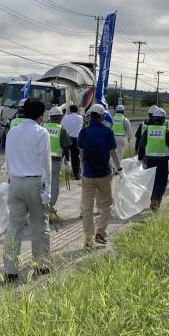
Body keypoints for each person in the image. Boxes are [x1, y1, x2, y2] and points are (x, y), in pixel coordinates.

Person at [3, 99, 52, 282]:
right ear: (41, 115)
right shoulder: (41, 133)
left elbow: (7, 159)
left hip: (15, 182)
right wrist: (46, 193)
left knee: (14, 226)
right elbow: (45, 165)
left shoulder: (12, 132)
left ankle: (10, 269)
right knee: (39, 225)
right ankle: (41, 264)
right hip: (34, 182)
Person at [76, 104, 122, 247]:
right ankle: (100, 232)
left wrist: (84, 168)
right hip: (104, 174)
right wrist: (119, 168)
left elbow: (81, 153)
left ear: (90, 116)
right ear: (102, 117)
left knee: (87, 208)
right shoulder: (108, 131)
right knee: (107, 204)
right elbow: (113, 152)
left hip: (88, 175)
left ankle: (88, 239)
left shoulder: (83, 132)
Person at [137, 107, 169, 212]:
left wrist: (139, 159)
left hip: (150, 160)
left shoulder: (148, 130)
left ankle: (154, 198)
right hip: (162, 160)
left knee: (152, 181)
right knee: (162, 181)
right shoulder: (167, 132)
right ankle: (156, 199)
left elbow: (141, 146)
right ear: (163, 120)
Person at [43, 106, 71, 222]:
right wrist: (67, 162)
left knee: (43, 184)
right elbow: (66, 147)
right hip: (55, 162)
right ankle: (49, 206)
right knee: (54, 184)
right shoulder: (61, 130)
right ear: (60, 117)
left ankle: (41, 206)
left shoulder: (43, 127)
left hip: (42, 161)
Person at [61, 104, 83, 180]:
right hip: (75, 139)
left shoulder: (65, 117)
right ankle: (76, 174)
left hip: (66, 137)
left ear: (70, 110)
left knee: (63, 156)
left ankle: (63, 173)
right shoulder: (80, 118)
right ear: (77, 110)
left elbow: (62, 126)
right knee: (75, 157)